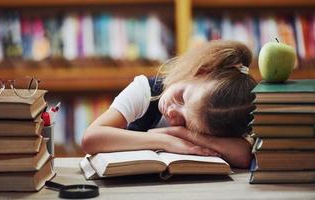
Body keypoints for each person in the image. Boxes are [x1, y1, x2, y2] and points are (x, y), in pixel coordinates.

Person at [81, 40, 257, 168]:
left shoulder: (217, 116)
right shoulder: (145, 91)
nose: (172, 112)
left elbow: (243, 156)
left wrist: (182, 133)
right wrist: (165, 140)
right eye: (182, 97)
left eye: (187, 123)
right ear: (200, 71)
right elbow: (91, 138)